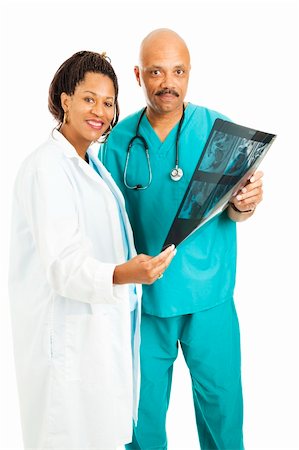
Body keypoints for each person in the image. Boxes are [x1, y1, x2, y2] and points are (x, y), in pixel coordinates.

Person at [100, 29, 264, 450]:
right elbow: (108, 224)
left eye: (177, 71)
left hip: (210, 295)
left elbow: (235, 208)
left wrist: (245, 204)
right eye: (156, 71)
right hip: (145, 302)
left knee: (223, 412)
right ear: (138, 75)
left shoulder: (220, 132)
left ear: (189, 74)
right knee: (140, 417)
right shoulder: (118, 143)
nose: (167, 82)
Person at [8, 50, 176, 450]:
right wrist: (125, 274)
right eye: (88, 98)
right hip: (66, 350)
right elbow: (63, 268)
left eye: (108, 101)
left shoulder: (92, 167)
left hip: (96, 345)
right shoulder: (47, 167)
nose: (100, 110)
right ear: (65, 101)